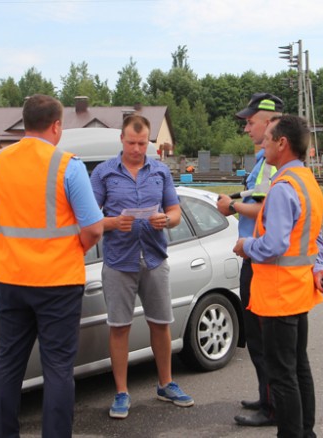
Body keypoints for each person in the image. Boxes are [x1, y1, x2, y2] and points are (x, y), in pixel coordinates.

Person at [0, 94, 104, 438]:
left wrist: (15, 239)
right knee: (58, 368)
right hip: (58, 281)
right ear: (57, 125)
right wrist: (75, 246)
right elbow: (93, 227)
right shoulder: (67, 165)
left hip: (10, 279)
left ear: (25, 123)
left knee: (8, 363)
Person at [233, 114, 323, 438]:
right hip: (297, 291)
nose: (262, 144)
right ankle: (306, 432)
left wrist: (246, 245)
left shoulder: (282, 188)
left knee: (282, 376)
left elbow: (274, 244)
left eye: (267, 138)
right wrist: (318, 267)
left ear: (282, 144)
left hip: (278, 296)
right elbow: (313, 240)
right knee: (299, 368)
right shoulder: (308, 183)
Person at [90, 114, 194, 419]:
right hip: (118, 262)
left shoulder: (160, 171)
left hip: (154, 258)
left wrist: (166, 219)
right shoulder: (104, 173)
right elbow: (90, 218)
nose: (137, 149)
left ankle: (166, 384)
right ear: (121, 140)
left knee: (161, 323)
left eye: (142, 143)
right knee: (119, 327)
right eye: (132, 142)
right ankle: (122, 393)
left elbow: (174, 211)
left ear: (148, 141)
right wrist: (112, 222)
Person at [216, 92, 282, 427]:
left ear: (270, 122)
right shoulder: (261, 161)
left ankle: (272, 407)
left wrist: (231, 206)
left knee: (261, 337)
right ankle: (266, 395)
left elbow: (263, 207)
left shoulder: (270, 165)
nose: (246, 129)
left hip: (260, 258)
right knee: (258, 338)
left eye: (250, 122)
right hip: (255, 256)